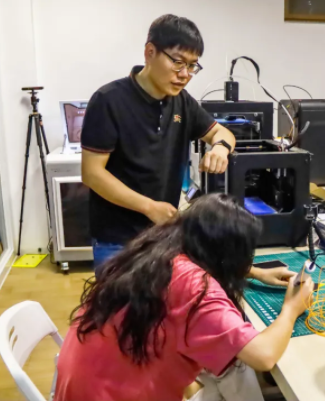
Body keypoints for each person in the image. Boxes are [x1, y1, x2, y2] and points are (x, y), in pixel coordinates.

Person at [54, 194, 314, 401]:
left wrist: (253, 271)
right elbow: (264, 356)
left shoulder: (156, 251)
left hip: (86, 385)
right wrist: (292, 308)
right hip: (112, 393)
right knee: (236, 366)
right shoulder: (196, 289)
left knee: (229, 367)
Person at [81, 15, 237, 274]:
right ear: (150, 52)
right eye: (177, 62)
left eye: (192, 66)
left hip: (162, 236)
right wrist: (149, 207)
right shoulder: (108, 100)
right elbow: (92, 173)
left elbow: (222, 132)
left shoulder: (182, 102)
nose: (185, 74)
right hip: (117, 241)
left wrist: (221, 147)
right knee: (119, 302)